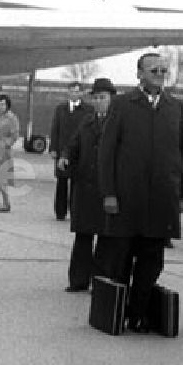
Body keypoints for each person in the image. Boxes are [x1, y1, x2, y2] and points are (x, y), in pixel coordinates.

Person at [98, 52, 183, 332]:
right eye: (154, 70)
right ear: (139, 74)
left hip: (162, 199)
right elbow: (106, 152)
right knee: (122, 258)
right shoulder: (122, 104)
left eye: (164, 70)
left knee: (152, 261)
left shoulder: (175, 107)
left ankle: (138, 313)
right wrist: (109, 193)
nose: (160, 74)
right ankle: (119, 310)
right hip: (128, 197)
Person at [59, 78, 115, 292]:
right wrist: (65, 156)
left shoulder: (118, 123)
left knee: (105, 239)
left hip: (106, 189)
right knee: (83, 237)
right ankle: (78, 280)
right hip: (85, 187)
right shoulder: (87, 121)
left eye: (103, 98)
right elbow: (73, 145)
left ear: (111, 99)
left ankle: (100, 281)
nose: (99, 101)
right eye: (96, 98)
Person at [49, 81, 94, 221]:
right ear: (68, 92)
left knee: (77, 183)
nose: (75, 93)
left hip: (79, 151)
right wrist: (53, 148)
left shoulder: (88, 109)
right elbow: (55, 128)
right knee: (61, 181)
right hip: (62, 149)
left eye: (77, 91)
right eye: (72, 91)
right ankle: (60, 212)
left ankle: (75, 211)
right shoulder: (60, 109)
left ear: (82, 93)